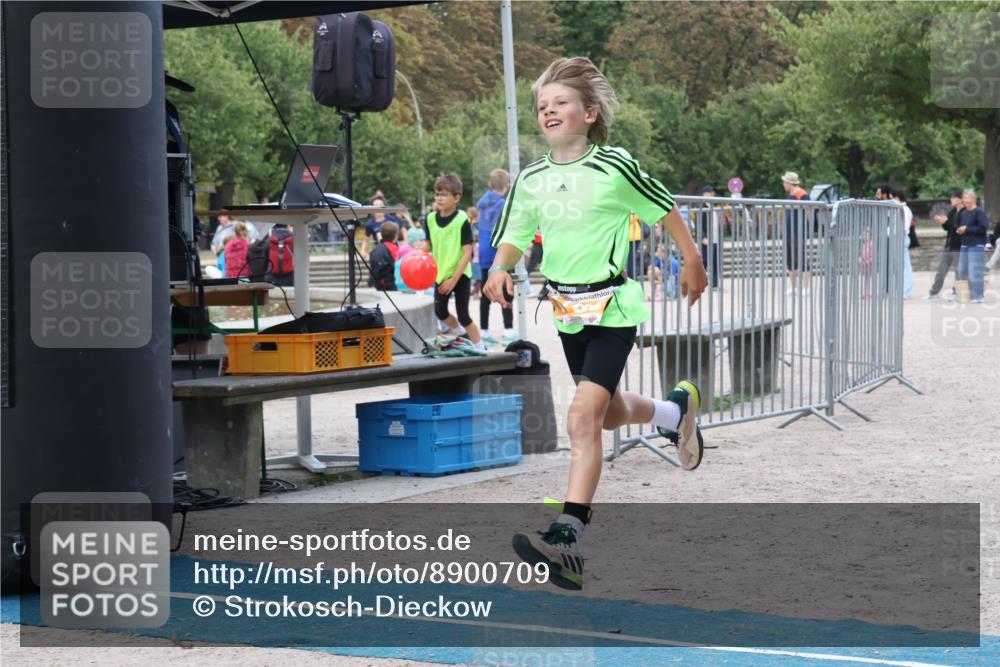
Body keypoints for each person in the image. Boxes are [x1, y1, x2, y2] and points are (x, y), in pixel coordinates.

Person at [484, 57, 708, 591]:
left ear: (588, 113)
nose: (549, 111)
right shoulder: (533, 179)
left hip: (612, 309)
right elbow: (518, 229)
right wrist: (497, 267)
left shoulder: (614, 167)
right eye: (542, 106)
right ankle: (674, 411)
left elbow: (663, 207)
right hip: (565, 312)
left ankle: (567, 536)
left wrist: (692, 258)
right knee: (605, 414)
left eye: (560, 102)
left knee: (581, 418)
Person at [426, 173, 484, 348]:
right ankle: (460, 332)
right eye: (437, 194)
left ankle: (481, 347)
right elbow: (430, 245)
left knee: (464, 315)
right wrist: (417, 250)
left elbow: (468, 253)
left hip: (460, 274)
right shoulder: (429, 219)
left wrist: (454, 279)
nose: (439, 198)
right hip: (440, 274)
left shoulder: (462, 220)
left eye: (444, 194)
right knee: (440, 311)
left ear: (456, 198)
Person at [476, 168, 516, 344]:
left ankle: (484, 330)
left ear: (489, 184)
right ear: (507, 185)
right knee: (507, 290)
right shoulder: (503, 205)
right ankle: (508, 330)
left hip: (485, 253)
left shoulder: (482, 203)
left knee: (485, 292)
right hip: (500, 253)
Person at [925, 189, 964, 301]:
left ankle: (956, 293)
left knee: (958, 272)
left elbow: (958, 229)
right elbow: (949, 228)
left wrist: (946, 222)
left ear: (960, 199)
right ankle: (933, 293)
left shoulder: (965, 212)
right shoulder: (953, 211)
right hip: (949, 246)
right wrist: (943, 223)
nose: (951, 199)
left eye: (953, 197)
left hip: (958, 247)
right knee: (941, 271)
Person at [955, 188, 989, 303]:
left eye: (968, 197)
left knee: (974, 271)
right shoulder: (963, 213)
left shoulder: (979, 212)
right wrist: (960, 230)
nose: (966, 200)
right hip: (965, 244)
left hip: (976, 244)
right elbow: (962, 227)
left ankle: (978, 296)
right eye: (964, 198)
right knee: (962, 271)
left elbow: (983, 227)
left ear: (973, 199)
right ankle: (965, 294)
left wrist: (967, 229)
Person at [781, 171, 811, 295]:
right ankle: (793, 287)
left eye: (784, 182)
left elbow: (809, 212)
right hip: (789, 230)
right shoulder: (789, 195)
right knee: (790, 257)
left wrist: (806, 228)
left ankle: (805, 288)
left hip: (799, 230)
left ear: (789, 183)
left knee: (801, 257)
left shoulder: (802, 194)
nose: (783, 184)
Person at [889, 188, 915, 299]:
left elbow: (904, 226)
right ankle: (902, 289)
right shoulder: (897, 209)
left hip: (901, 237)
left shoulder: (904, 209)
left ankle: (906, 290)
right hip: (896, 237)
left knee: (905, 265)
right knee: (900, 265)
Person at [697, 185, 723, 289]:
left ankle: (715, 284)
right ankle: (699, 283)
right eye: (710, 192)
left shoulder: (714, 207)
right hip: (707, 240)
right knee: (705, 262)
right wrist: (703, 237)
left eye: (713, 192)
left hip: (715, 239)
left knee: (716, 262)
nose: (712, 194)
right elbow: (698, 224)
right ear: (704, 194)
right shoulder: (702, 207)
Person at [369, 221, 399, 291]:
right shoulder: (393, 248)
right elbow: (397, 265)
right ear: (394, 235)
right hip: (390, 284)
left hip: (378, 284)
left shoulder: (375, 249)